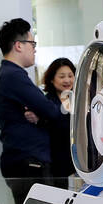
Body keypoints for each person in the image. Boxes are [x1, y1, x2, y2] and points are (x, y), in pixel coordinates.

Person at [0, 18, 64, 204]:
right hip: (28, 163)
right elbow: (51, 110)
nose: (34, 49)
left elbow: (45, 111)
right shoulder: (13, 75)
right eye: (32, 44)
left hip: (27, 161)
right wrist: (45, 114)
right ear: (18, 45)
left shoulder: (10, 74)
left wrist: (39, 117)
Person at [40, 57, 75, 189]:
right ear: (52, 79)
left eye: (70, 76)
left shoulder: (73, 98)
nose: (67, 80)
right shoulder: (46, 102)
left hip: (73, 161)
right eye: (62, 76)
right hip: (54, 162)